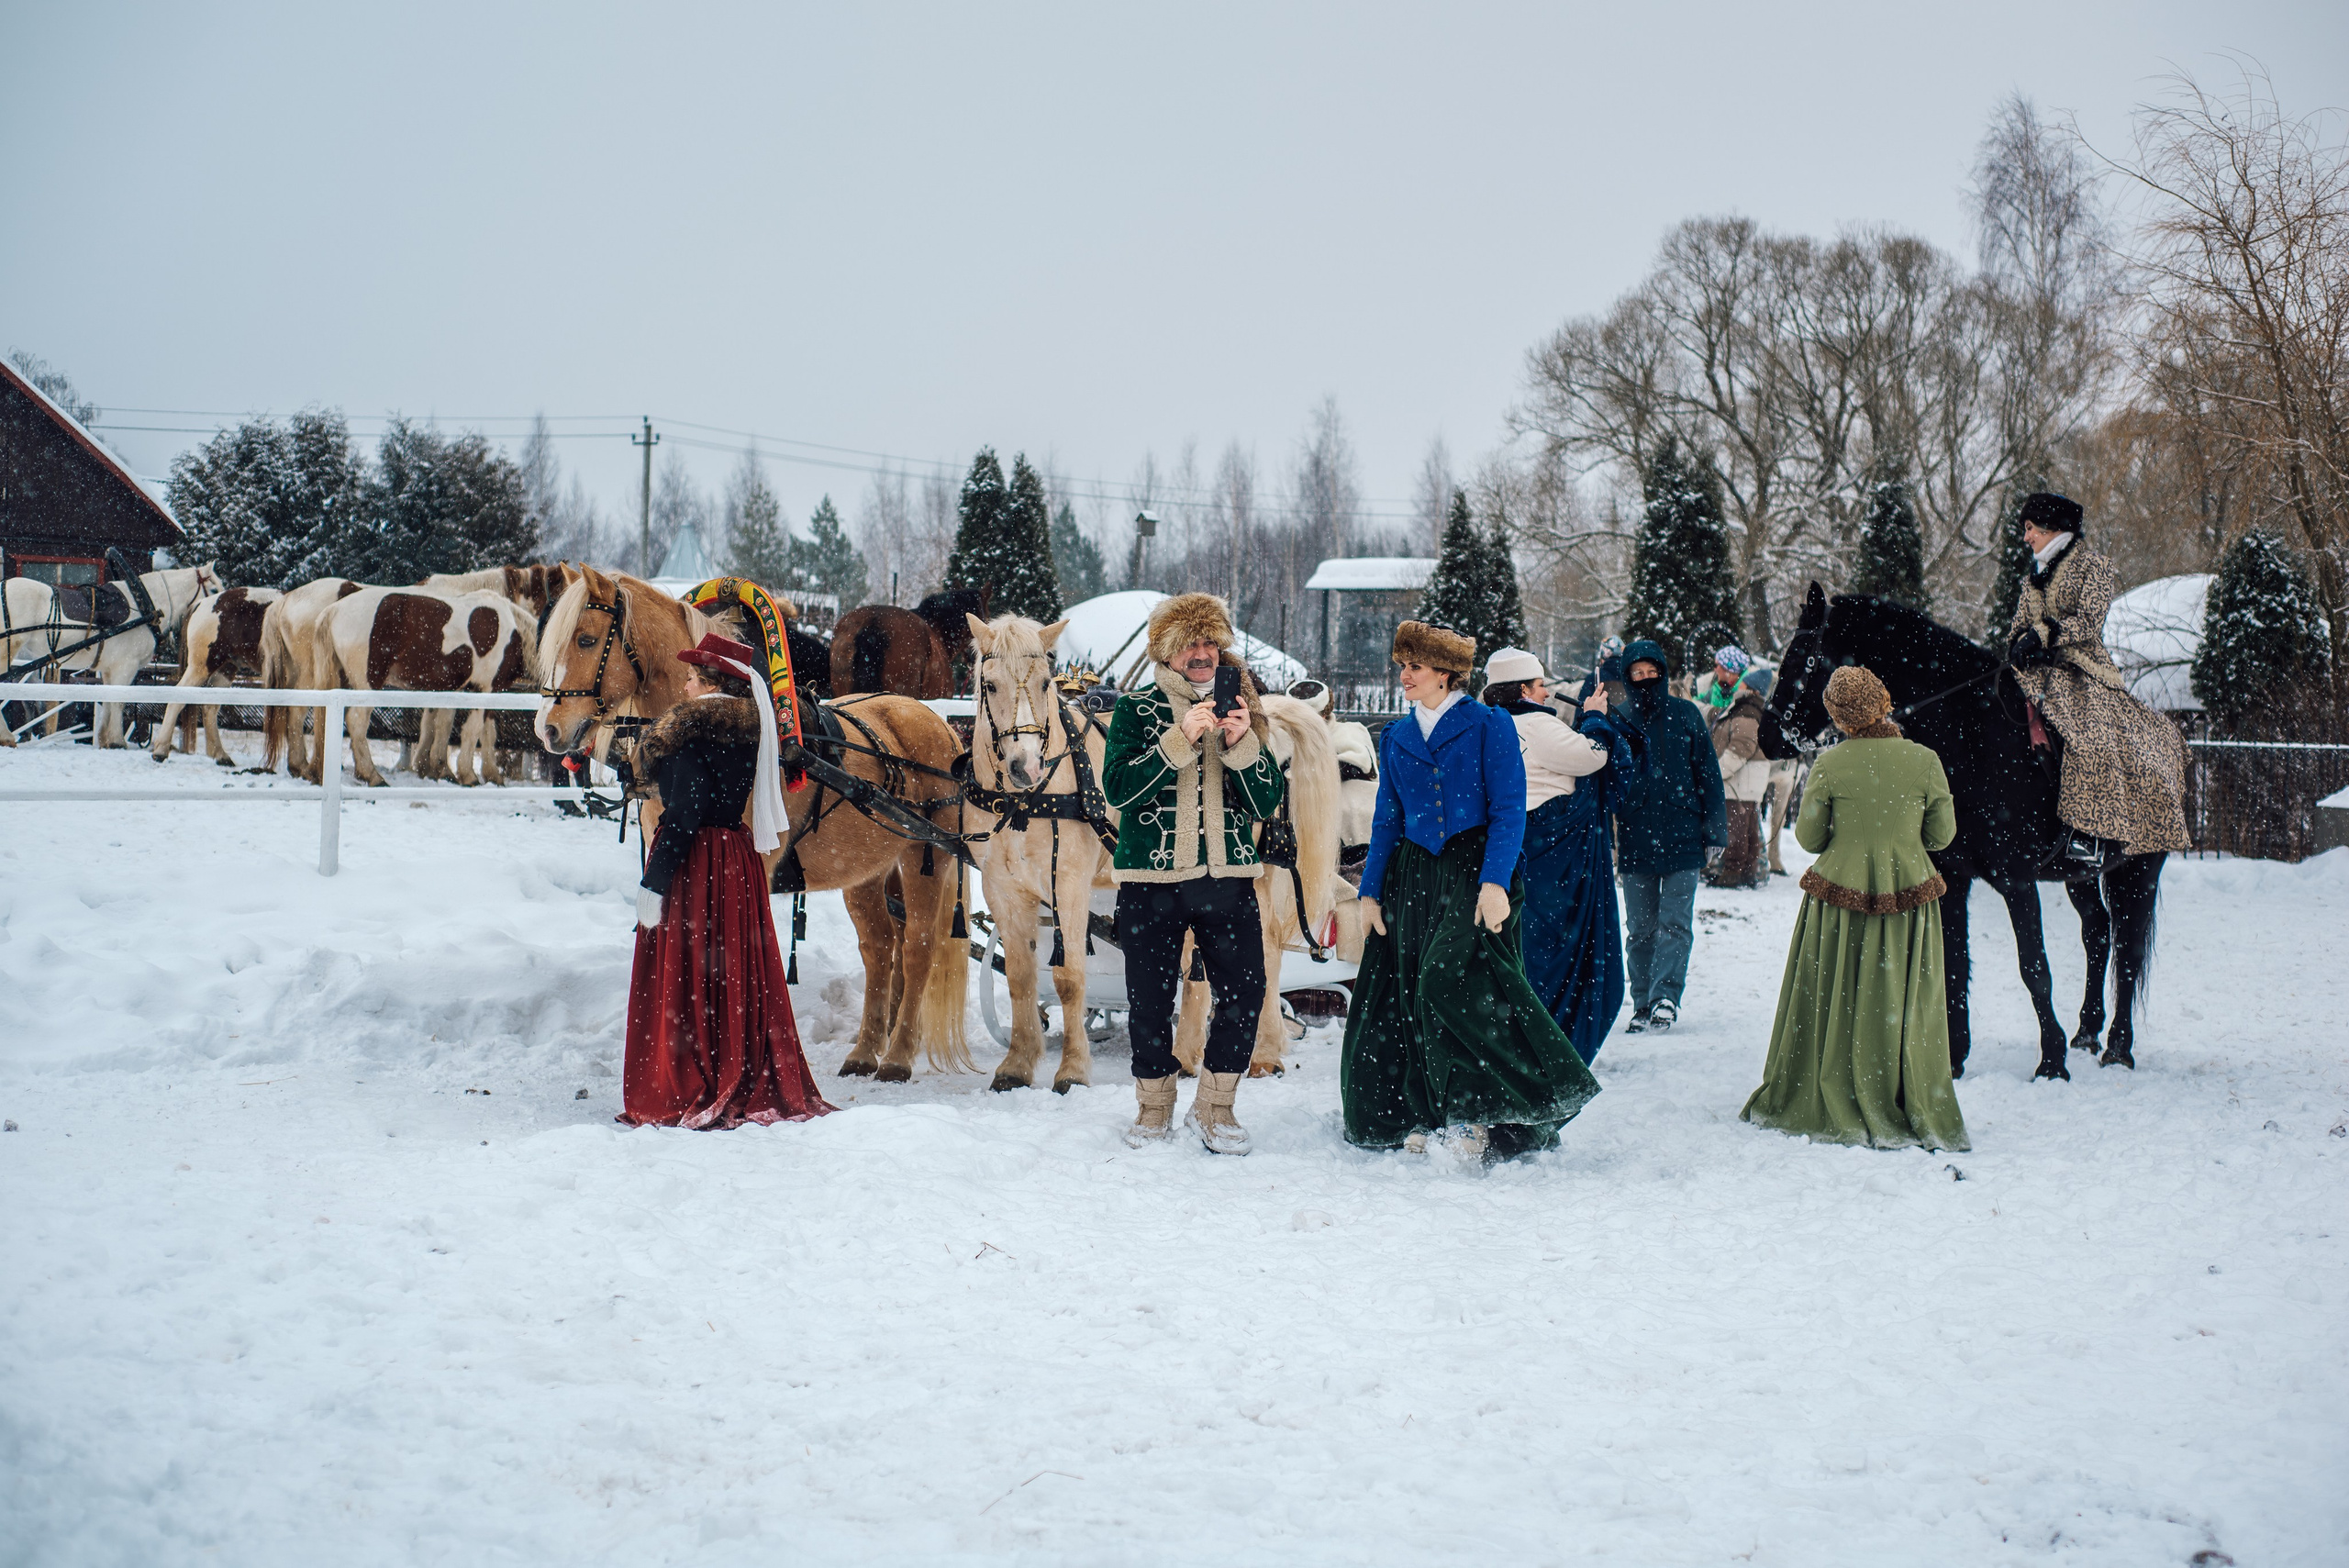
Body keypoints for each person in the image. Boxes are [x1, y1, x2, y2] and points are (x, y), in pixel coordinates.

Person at [1340, 623, 1601, 1162]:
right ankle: (1429, 1110)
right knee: (1408, 992)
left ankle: (1488, 1106)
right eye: (1402, 666)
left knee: (1447, 980)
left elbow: (1509, 809)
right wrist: (1368, 892)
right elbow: (1387, 819)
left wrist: (1495, 883)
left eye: (1414, 666)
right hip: (1411, 877)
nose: (1405, 676)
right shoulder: (1395, 735)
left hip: (1473, 871)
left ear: (1446, 674)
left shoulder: (1491, 725)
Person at [1742, 664, 1969, 1151]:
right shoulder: (1925, 759)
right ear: (1884, 700)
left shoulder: (1830, 763)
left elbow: (1807, 838)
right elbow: (1942, 836)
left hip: (1838, 897)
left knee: (1836, 993)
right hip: (1908, 894)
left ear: (1839, 718)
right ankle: (1901, 1091)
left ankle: (1834, 1081)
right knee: (1903, 999)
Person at [621, 632, 833, 1129]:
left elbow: (686, 809)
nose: (686, 687)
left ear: (710, 682)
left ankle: (694, 1076)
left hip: (697, 862)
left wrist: (654, 882)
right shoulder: (749, 731)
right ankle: (734, 1061)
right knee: (732, 970)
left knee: (691, 972)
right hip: (735, 858)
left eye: (692, 678)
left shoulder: (689, 730)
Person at [1102, 593, 1287, 1153]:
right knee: (1151, 1000)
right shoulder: (1137, 709)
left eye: (1210, 642)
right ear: (1168, 650)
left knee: (1245, 992)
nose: (1202, 653)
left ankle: (1215, 1106)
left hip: (1227, 878)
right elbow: (1118, 790)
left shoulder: (1244, 708)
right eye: (1190, 644)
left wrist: (1240, 743)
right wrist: (1180, 737)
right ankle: (1154, 1108)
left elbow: (1264, 802)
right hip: (1150, 883)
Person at [2004, 492, 2191, 867]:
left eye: (2029, 529)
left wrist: (2042, 635)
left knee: (2090, 739)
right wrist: (2017, 645)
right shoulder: (2033, 579)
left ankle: (2089, 833)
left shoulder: (2095, 567)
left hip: (2082, 670)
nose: (2026, 538)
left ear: (2051, 527)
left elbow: (2089, 621)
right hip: (2036, 672)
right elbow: (2018, 626)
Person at [1483, 645, 1644, 1064]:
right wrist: (1593, 715)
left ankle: (1516, 1041)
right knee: (1554, 954)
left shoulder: (1488, 724)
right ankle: (1550, 1042)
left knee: (1521, 947)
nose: (1547, 693)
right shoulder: (1536, 725)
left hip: (1512, 852)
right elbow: (1594, 756)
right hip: (1552, 860)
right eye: (1541, 686)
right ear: (1523, 689)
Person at [1609, 639, 1726, 1035]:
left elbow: (1709, 775)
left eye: (1651, 671)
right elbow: (1606, 782)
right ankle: (1642, 1002)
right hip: (1636, 836)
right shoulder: (1618, 720)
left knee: (1675, 923)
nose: (1645, 679)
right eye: (1636, 674)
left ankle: (1665, 999)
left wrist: (1715, 831)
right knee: (1639, 928)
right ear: (1627, 678)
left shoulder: (1687, 715)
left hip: (1684, 835)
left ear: (1662, 672)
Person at [1702, 645, 1772, 889]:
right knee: (1749, 830)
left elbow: (1741, 747)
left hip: (1740, 781)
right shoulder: (1749, 707)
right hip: (1748, 781)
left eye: (1743, 683)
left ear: (1749, 688)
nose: (1739, 685)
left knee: (1736, 832)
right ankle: (1749, 873)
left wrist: (1716, 772)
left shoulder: (1746, 710)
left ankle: (1731, 875)